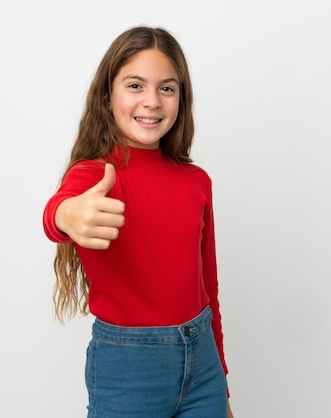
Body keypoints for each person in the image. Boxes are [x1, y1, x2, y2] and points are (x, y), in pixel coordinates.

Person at [43, 25, 234, 418]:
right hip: (127, 370)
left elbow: (208, 288)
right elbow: (58, 212)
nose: (152, 101)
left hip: (203, 368)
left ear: (182, 97)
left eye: (167, 88)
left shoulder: (196, 182)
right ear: (108, 94)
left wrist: (222, 386)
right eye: (135, 85)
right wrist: (69, 215)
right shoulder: (95, 175)